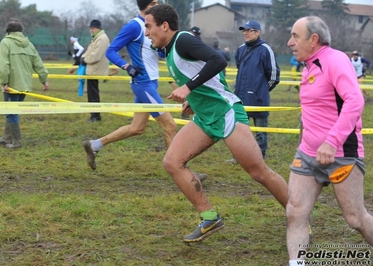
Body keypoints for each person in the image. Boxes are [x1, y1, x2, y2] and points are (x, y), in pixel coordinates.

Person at [144, 4, 288, 243]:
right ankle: (209, 217)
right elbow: (202, 73)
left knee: (258, 172)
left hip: (226, 112)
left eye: (149, 26)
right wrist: (193, 98)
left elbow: (218, 60)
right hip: (205, 117)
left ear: (164, 26)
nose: (147, 32)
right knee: (172, 162)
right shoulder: (170, 50)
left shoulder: (182, 41)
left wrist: (188, 88)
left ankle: (299, 215)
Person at [286, 16, 373, 266]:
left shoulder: (334, 60)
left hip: (341, 153)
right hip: (307, 154)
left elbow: (355, 101)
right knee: (295, 212)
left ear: (313, 39)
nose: (290, 42)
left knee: (356, 218)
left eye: (295, 35)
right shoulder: (310, 65)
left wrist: (331, 142)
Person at [83, 0, 177, 171]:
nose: (158, 4)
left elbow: (157, 54)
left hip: (151, 83)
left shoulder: (152, 27)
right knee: (170, 125)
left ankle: (94, 145)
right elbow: (111, 50)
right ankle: (179, 170)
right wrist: (127, 66)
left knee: (137, 128)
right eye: (154, 1)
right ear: (145, 5)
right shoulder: (134, 26)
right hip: (143, 84)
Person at [226, 20, 280, 163]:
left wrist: (260, 91)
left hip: (259, 100)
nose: (246, 33)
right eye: (244, 30)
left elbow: (274, 76)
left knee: (261, 132)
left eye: (249, 30)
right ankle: (238, 157)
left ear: (258, 32)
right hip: (240, 99)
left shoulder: (266, 49)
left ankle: (259, 158)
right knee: (239, 131)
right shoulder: (240, 49)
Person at [0, 18, 49, 149]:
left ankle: (16, 142)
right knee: (12, 110)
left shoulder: (5, 42)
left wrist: (5, 82)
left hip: (11, 85)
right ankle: (6, 138)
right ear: (21, 30)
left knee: (11, 112)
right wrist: (44, 80)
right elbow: (39, 64)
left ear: (8, 31)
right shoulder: (29, 44)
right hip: (25, 85)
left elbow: (3, 65)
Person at [80, 19, 110, 122]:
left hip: (95, 69)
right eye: (90, 28)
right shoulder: (97, 38)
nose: (91, 30)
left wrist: (84, 60)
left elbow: (96, 55)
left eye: (93, 28)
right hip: (93, 69)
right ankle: (94, 114)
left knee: (93, 94)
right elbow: (89, 51)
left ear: (98, 28)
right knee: (92, 93)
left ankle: (95, 116)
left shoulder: (101, 39)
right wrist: (83, 57)